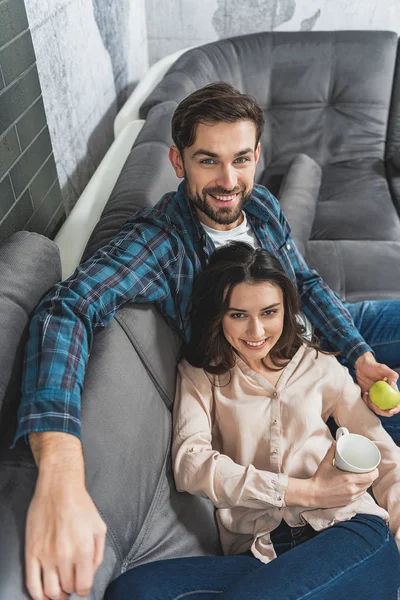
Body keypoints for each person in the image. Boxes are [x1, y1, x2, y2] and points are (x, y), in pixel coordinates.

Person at [15, 82, 400, 600]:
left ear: (257, 156)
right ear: (178, 161)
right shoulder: (160, 244)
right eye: (207, 161)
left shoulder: (260, 205)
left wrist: (358, 355)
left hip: (313, 352)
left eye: (240, 159)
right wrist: (61, 470)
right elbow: (68, 308)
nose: (227, 180)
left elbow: (304, 284)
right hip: (256, 377)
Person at [104, 242, 400, 600]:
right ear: (218, 315)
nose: (256, 331)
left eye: (269, 312)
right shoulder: (202, 375)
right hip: (262, 554)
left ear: (286, 310)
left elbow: (385, 458)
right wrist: (306, 491)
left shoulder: (320, 365)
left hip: (349, 530)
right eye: (239, 315)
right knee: (135, 591)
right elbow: (191, 463)